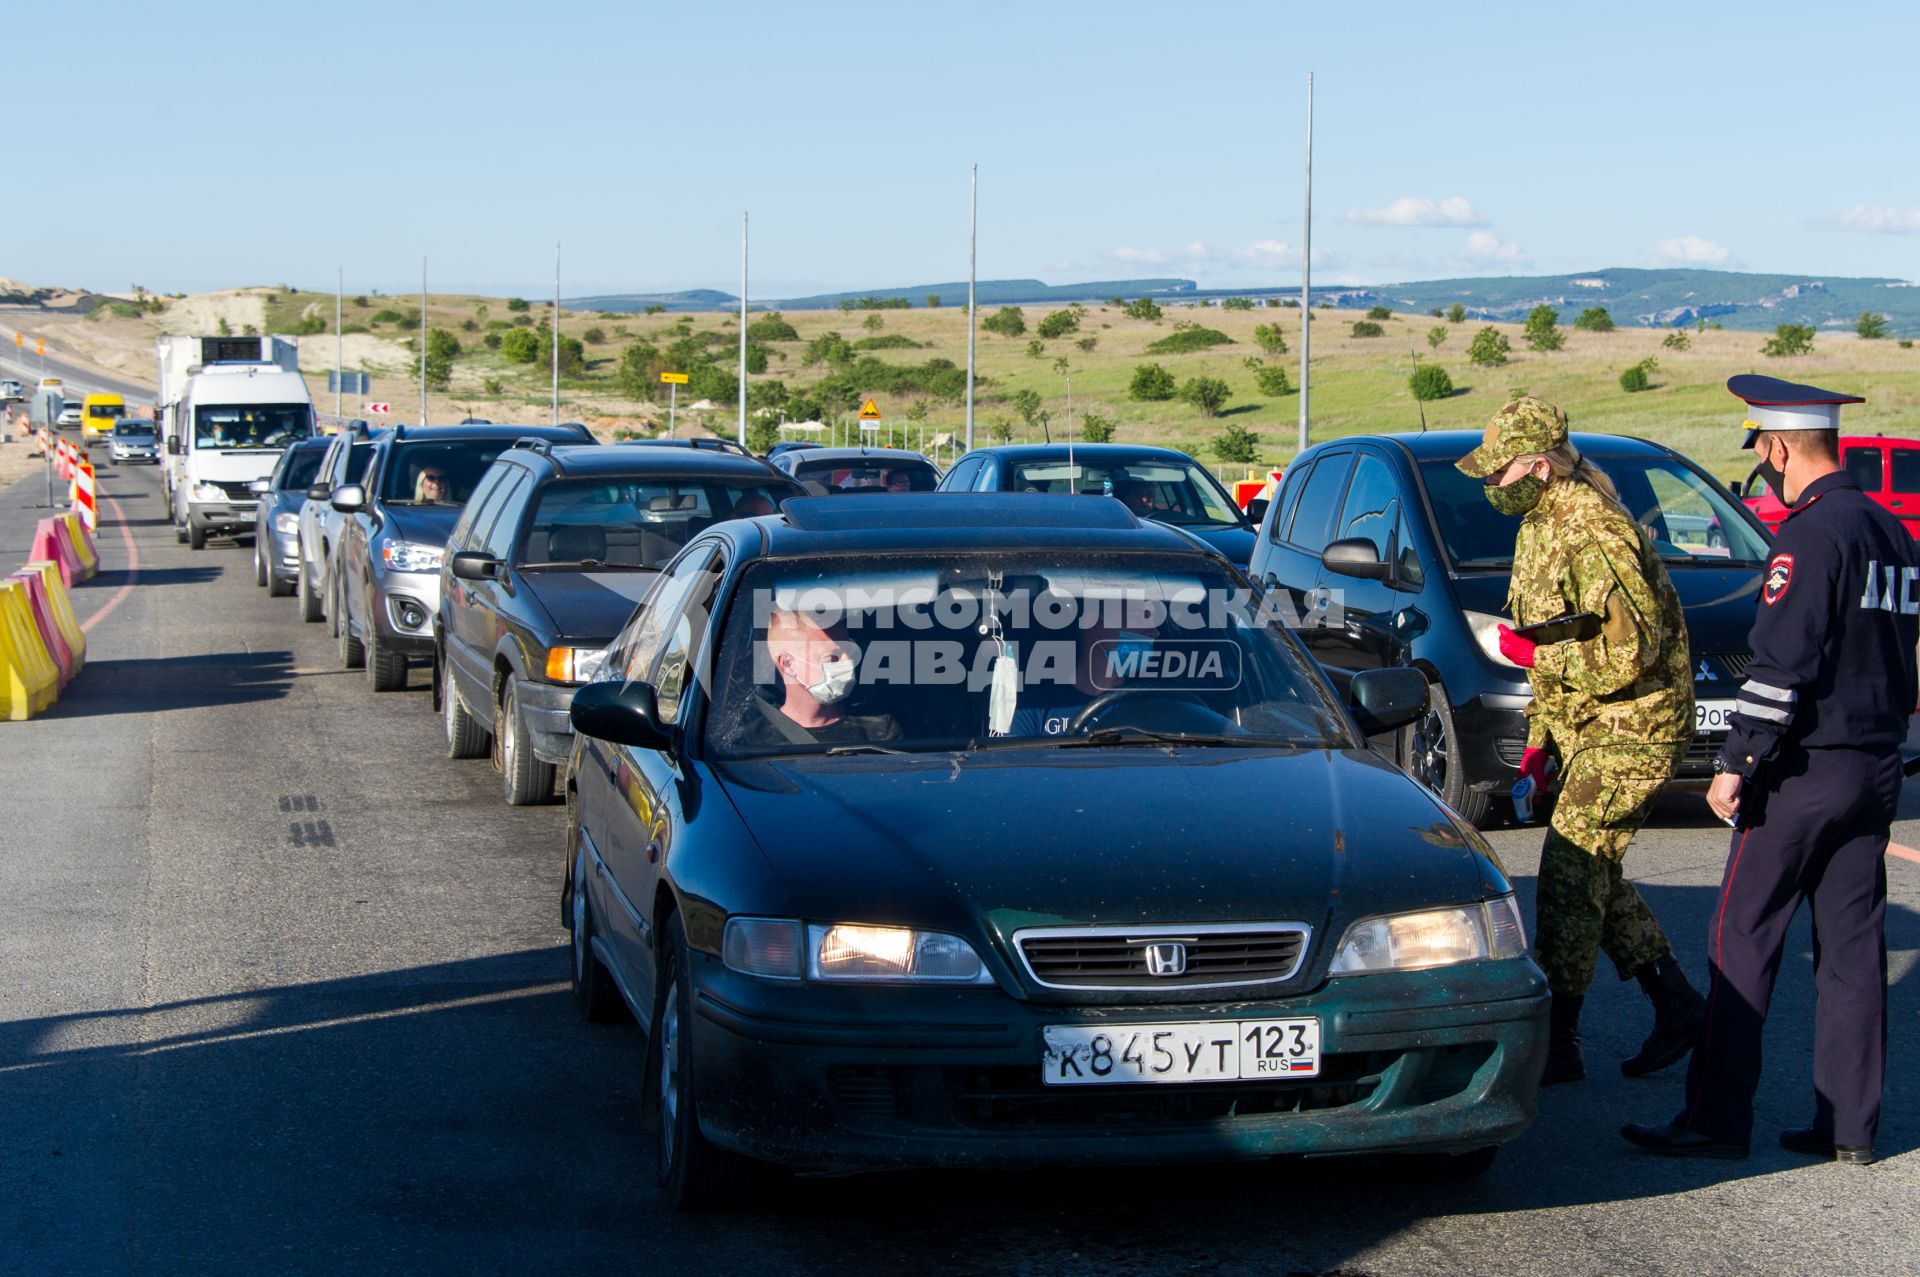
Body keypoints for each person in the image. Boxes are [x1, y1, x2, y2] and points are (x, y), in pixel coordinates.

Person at [1623, 376, 1920, 1162]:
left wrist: (1735, 763)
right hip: (1877, 764)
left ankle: (1715, 1119)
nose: (1765, 464)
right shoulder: (1893, 533)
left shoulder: (1810, 536)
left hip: (1801, 771)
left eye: (1762, 450)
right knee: (1853, 952)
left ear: (1780, 446)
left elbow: (1780, 663)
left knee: (1742, 937)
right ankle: (1849, 1127)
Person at [1455, 397, 1705, 1086]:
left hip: (1636, 721)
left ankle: (1559, 1035)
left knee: (1569, 867)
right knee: (1591, 871)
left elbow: (1630, 652)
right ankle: (1676, 1002)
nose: (1491, 485)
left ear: (1538, 464)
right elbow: (1556, 633)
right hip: (1589, 723)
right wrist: (1540, 737)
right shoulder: (1542, 523)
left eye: (1499, 472)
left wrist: (1534, 660)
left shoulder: (1594, 527)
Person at [735, 610, 899, 749]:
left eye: (849, 651)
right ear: (788, 664)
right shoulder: (750, 743)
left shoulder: (880, 730)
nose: (847, 662)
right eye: (831, 658)